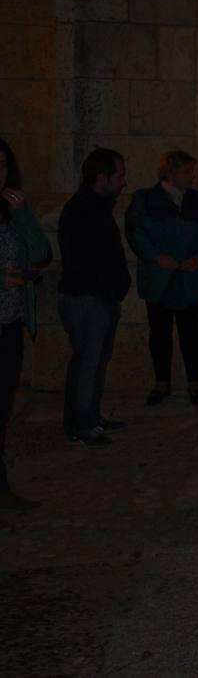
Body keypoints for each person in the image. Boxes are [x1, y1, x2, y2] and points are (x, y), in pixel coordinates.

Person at [126, 151, 198, 406]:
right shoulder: (145, 199)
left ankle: (194, 381)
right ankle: (161, 381)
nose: (192, 177)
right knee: (160, 331)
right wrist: (156, 257)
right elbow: (136, 232)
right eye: (187, 172)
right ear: (171, 172)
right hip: (159, 277)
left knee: (191, 331)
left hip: (188, 277)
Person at [58, 147, 130, 447]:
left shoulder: (96, 206)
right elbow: (89, 259)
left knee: (96, 361)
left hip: (100, 297)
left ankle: (91, 417)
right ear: (102, 178)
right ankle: (81, 423)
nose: (124, 182)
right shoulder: (83, 209)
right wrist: (110, 286)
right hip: (88, 298)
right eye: (120, 175)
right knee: (87, 362)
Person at [0, 139, 51, 508]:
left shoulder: (10, 212)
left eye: (3, 164)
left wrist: (23, 215)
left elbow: (40, 253)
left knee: (3, 407)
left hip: (10, 321)